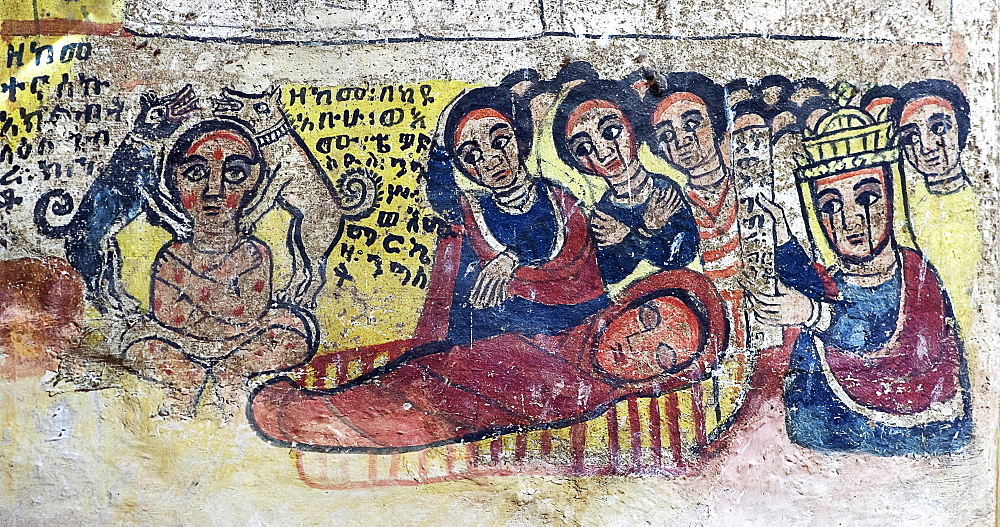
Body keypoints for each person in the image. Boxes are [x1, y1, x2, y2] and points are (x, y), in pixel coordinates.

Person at [754, 107, 971, 455]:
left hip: (914, 440)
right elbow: (816, 286)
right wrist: (782, 238)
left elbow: (874, 336)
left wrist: (813, 314)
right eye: (831, 206)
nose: (851, 220)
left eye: (867, 198)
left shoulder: (918, 278)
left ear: (891, 196)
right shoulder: (836, 279)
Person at [119, 119, 315, 417]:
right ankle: (185, 379)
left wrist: (188, 283)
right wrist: (210, 316)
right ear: (175, 180)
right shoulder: (172, 253)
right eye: (196, 173)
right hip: (182, 344)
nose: (214, 191)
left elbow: (246, 312)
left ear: (253, 181)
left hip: (245, 340)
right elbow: (169, 316)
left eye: (234, 174)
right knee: (134, 342)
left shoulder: (253, 253)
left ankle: (234, 373)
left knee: (294, 335)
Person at [425, 86, 609, 344]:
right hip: (503, 349)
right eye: (472, 155)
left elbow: (548, 232)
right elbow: (440, 196)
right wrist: (440, 147)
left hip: (578, 334)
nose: (490, 160)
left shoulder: (559, 198)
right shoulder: (474, 213)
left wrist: (508, 259)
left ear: (520, 140)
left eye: (499, 142)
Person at [551, 79, 700, 285]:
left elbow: (683, 253)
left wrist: (629, 237)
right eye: (584, 148)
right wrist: (645, 232)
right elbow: (611, 273)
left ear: (633, 128)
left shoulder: (664, 189)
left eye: (611, 132)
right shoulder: (603, 212)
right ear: (576, 162)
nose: (603, 153)